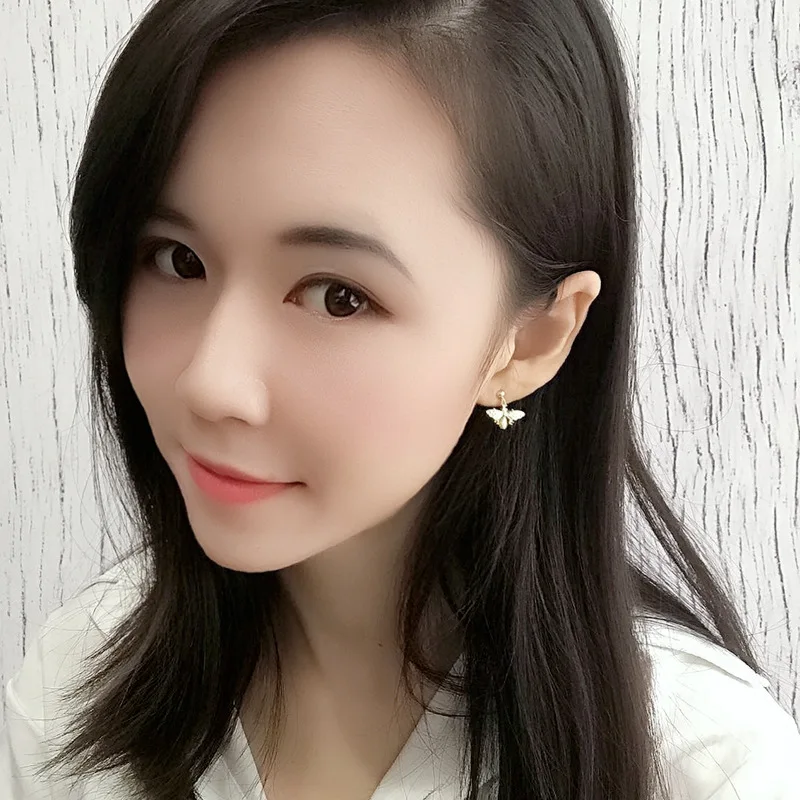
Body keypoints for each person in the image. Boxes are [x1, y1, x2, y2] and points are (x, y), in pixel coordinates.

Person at [2, 0, 799, 798]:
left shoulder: (708, 770)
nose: (210, 381)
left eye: (338, 296)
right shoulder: (77, 682)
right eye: (178, 260)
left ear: (530, 341)